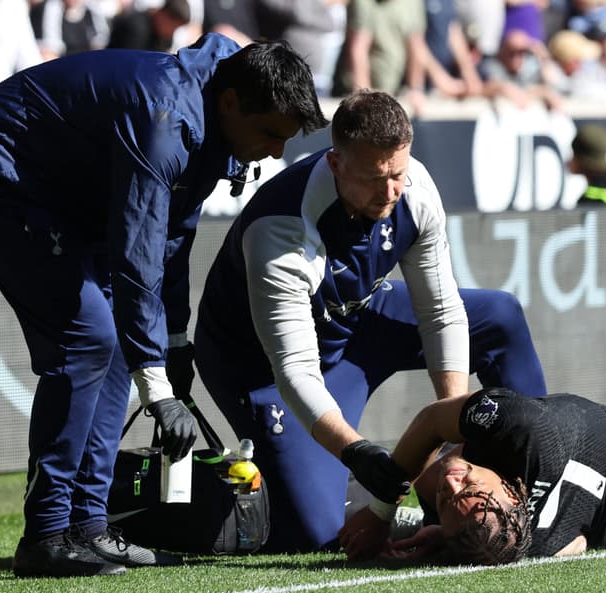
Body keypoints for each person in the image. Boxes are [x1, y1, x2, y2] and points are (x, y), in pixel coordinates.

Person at [0, 33, 328, 578]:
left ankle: (89, 527)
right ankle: (47, 535)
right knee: (87, 337)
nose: (277, 152)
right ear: (232, 103)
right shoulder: (164, 120)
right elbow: (140, 252)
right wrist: (157, 387)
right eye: (269, 134)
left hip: (57, 192)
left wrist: (172, 342)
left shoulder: (215, 106)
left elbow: (173, 240)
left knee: (117, 338)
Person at [194, 90, 547, 553]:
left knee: (499, 316)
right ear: (336, 164)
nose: (389, 192)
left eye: (397, 173)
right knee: (315, 535)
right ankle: (364, 498)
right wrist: (356, 452)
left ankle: (535, 482)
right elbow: (295, 370)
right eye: (373, 178)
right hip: (265, 370)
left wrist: (453, 419)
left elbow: (440, 312)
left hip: (357, 320)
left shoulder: (412, 185)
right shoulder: (281, 229)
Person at [340, 387, 606, 563]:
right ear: (514, 491)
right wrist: (382, 510)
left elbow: (578, 542)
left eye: (448, 500)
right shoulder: (521, 425)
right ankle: (410, 514)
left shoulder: (522, 545)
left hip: (584, 507)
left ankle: (423, 522)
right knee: (430, 477)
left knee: (435, 488)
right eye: (469, 486)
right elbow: (433, 419)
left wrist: (439, 539)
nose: (452, 481)